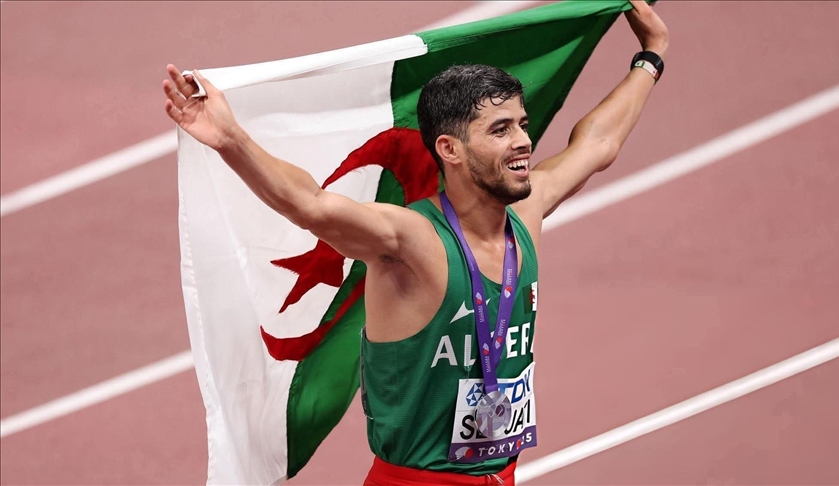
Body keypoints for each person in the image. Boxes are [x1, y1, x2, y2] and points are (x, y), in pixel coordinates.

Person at [163, 1, 667, 484]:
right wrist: (231, 139)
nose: (523, 141)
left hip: (499, 477)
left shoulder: (525, 214)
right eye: (500, 130)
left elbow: (598, 143)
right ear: (449, 149)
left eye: (522, 124)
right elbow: (312, 204)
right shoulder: (410, 240)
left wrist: (650, 58)